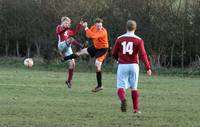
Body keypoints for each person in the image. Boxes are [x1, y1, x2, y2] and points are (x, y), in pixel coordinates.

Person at [112, 20, 152, 113]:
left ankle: (123, 100)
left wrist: (118, 59)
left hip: (122, 65)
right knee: (134, 88)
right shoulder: (139, 40)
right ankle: (136, 109)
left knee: (120, 87)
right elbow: (143, 55)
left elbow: (114, 53)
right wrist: (148, 67)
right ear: (135, 28)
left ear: (126, 27)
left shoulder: (120, 38)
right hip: (134, 66)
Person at [66, 18, 109, 92]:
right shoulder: (93, 27)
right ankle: (65, 58)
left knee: (97, 64)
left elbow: (93, 36)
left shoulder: (103, 31)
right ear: (95, 25)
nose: (99, 27)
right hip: (95, 47)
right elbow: (88, 35)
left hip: (103, 49)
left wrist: (86, 27)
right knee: (81, 52)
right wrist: (87, 29)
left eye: (100, 26)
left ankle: (100, 86)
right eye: (98, 26)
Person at [56, 16, 84, 88]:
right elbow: (60, 33)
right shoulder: (59, 27)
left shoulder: (68, 31)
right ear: (62, 22)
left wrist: (80, 25)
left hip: (67, 48)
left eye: (68, 23)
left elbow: (74, 32)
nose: (66, 24)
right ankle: (81, 46)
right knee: (70, 39)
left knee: (72, 64)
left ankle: (69, 81)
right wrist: (66, 28)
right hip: (61, 45)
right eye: (65, 23)